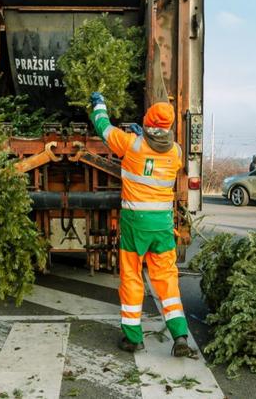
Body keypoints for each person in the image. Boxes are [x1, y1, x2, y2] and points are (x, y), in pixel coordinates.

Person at [89, 92, 194, 357]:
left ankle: (133, 338)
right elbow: (161, 150)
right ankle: (180, 335)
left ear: (146, 122)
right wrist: (148, 135)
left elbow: (103, 127)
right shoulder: (177, 151)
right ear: (169, 127)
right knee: (167, 280)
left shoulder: (130, 144)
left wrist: (99, 104)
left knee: (132, 277)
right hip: (161, 226)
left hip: (135, 225)